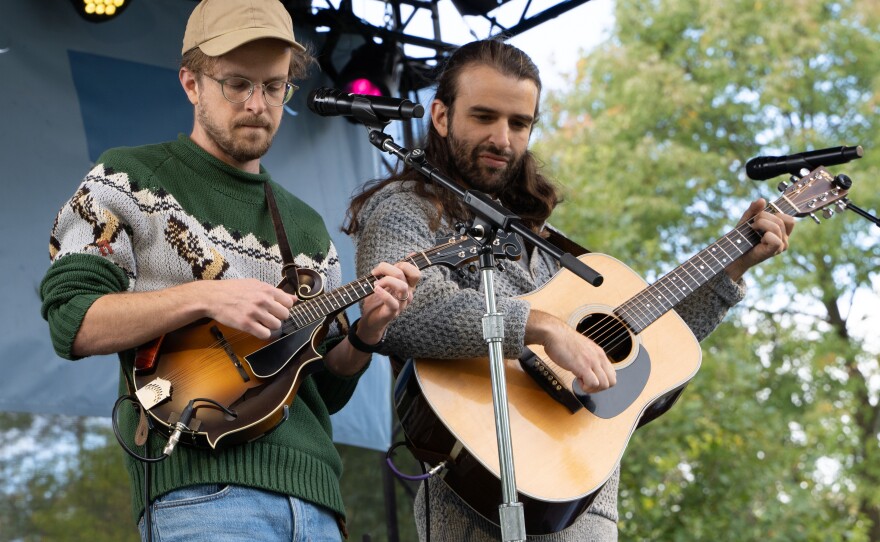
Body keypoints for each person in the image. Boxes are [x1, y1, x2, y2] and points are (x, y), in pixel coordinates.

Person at [345, 39, 795, 541]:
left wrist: (730, 270)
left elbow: (653, 351)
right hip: (476, 494)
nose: (503, 138)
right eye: (484, 116)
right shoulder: (405, 207)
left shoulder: (539, 238)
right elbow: (402, 312)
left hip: (584, 493)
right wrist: (543, 328)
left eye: (519, 123)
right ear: (441, 116)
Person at [39, 0, 419, 540]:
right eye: (237, 84)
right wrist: (204, 297)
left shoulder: (306, 227)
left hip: (318, 503)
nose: (257, 104)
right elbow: (72, 322)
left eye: (274, 87)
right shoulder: (126, 177)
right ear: (191, 83)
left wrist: (368, 332)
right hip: (200, 496)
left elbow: (324, 391)